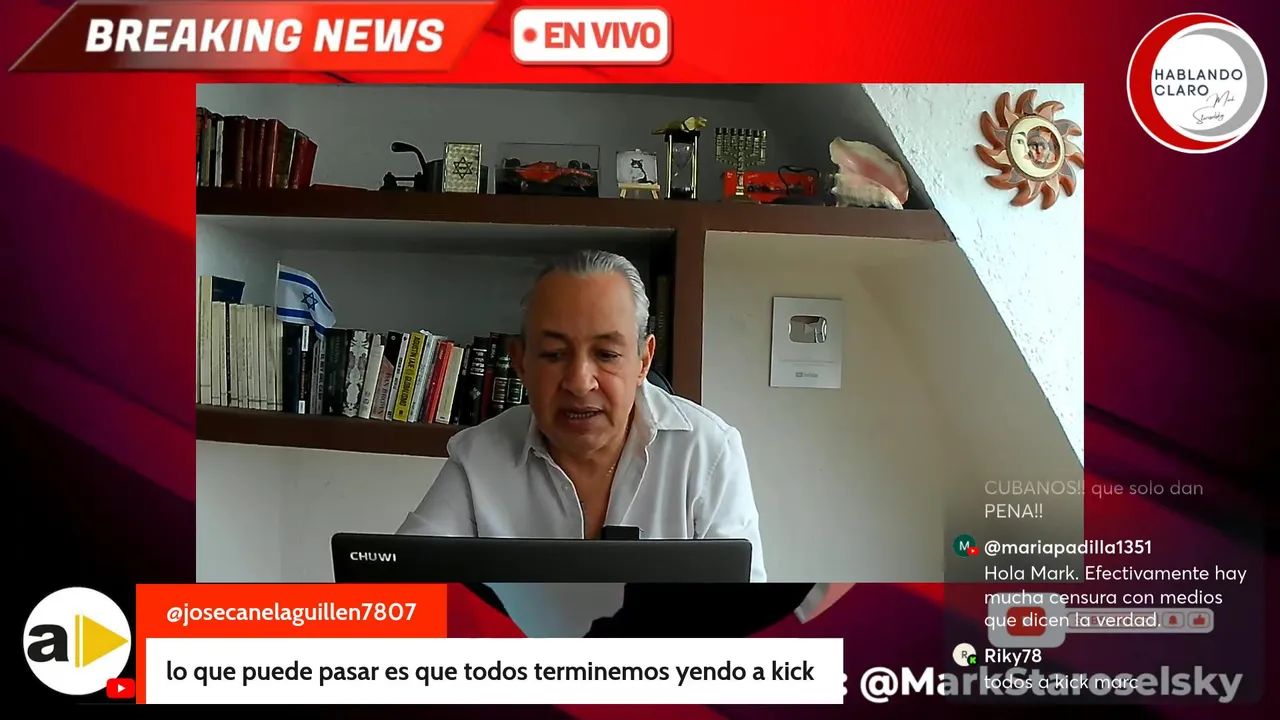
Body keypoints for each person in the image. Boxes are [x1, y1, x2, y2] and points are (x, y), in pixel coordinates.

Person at [397, 249, 767, 582]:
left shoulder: (707, 452)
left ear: (643, 361)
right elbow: (398, 601)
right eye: (554, 354)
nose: (578, 382)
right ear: (521, 363)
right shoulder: (480, 455)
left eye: (606, 355)